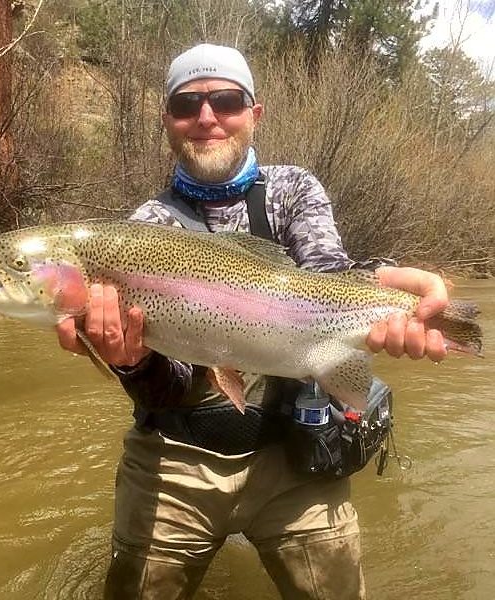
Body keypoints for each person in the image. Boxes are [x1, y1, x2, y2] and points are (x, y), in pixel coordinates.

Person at [57, 44, 448, 600]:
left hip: (295, 454)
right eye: (187, 103)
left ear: (254, 113)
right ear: (168, 120)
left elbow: (324, 283)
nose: (207, 117)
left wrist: (389, 285)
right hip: (175, 461)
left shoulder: (293, 191)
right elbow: (164, 390)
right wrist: (130, 362)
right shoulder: (145, 228)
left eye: (226, 100)